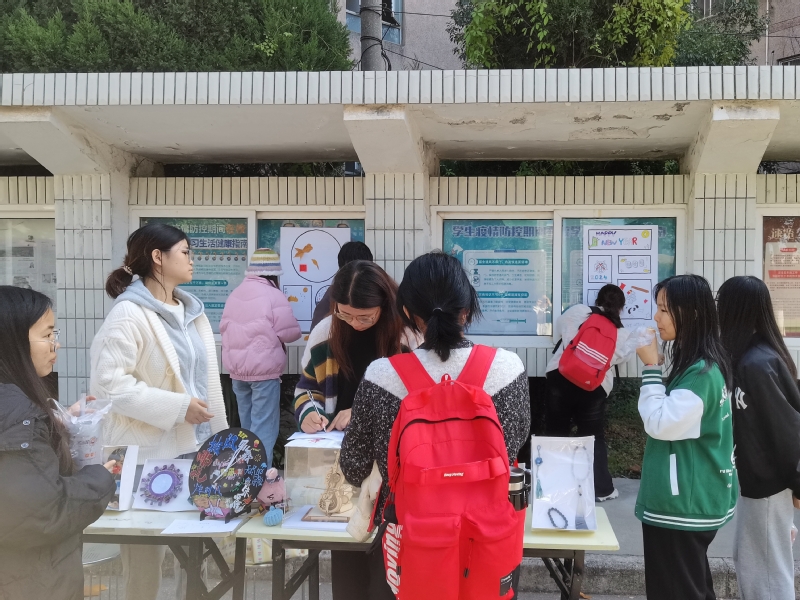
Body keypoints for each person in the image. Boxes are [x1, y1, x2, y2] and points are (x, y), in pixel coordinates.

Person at [339, 251, 531, 600]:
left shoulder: (382, 376)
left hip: (410, 546)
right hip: (486, 543)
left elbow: (353, 467)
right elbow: (512, 446)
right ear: (466, 308)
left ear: (408, 312)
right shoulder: (508, 369)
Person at [90, 223, 229, 600]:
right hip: (146, 456)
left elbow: (204, 383)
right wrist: (178, 407)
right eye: (185, 252)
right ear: (158, 257)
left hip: (194, 449)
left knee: (195, 555)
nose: (192, 259)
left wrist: (218, 440)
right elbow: (108, 385)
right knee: (143, 563)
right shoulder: (128, 314)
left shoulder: (191, 311)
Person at [293, 260, 406, 600]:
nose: (354, 323)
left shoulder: (406, 336)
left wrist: (362, 413)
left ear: (384, 304)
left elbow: (421, 401)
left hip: (393, 468)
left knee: (387, 565)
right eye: (345, 314)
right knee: (345, 559)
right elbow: (306, 388)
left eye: (365, 317)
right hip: (340, 462)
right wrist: (308, 413)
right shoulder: (326, 332)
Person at [0, 286, 115, 600]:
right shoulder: (16, 412)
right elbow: (41, 513)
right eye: (47, 334)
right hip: (27, 582)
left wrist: (53, 422)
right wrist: (99, 478)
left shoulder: (18, 408)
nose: (56, 343)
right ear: (12, 340)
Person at [635, 274, 737, 600]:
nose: (656, 317)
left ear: (690, 314)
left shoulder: (700, 374)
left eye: (664, 309)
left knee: (675, 590)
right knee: (692, 586)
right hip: (688, 500)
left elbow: (659, 423)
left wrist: (651, 368)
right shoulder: (704, 365)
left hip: (680, 506)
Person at [717, 276, 800, 600]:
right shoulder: (750, 357)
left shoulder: (758, 363)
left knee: (765, 575)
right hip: (757, 483)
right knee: (755, 566)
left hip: (768, 486)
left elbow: (787, 429)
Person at [545, 284, 633, 502]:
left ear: (597, 300)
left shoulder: (578, 312)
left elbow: (560, 329)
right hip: (592, 387)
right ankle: (601, 489)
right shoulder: (622, 333)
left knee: (556, 432)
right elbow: (621, 357)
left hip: (561, 377)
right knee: (592, 437)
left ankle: (552, 486)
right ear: (621, 308)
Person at [220, 248, 301, 468]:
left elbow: (224, 327)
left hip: (237, 372)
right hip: (264, 373)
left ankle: (245, 475)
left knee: (247, 429)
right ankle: (259, 477)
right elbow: (290, 333)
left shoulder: (236, 293)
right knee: (264, 429)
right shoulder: (273, 295)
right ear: (274, 273)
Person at [310, 241, 373, 331]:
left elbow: (316, 328)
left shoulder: (333, 292)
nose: (355, 323)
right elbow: (317, 330)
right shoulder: (379, 290)